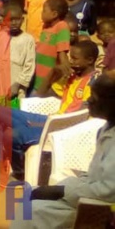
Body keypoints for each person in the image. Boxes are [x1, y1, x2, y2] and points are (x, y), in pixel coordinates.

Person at [0, 40, 101, 183]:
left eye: (75, 59)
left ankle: (20, 174)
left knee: (11, 134)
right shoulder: (71, 77)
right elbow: (40, 95)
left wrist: (46, 122)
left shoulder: (94, 82)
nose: (70, 61)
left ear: (89, 60)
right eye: (70, 57)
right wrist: (54, 72)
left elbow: (82, 116)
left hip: (61, 128)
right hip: (48, 120)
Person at [11, 73, 115, 229]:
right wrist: (62, 188)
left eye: (95, 96)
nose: (88, 100)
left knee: (31, 211)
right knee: (30, 195)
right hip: (85, 197)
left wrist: (63, 191)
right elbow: (93, 176)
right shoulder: (105, 129)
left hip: (100, 210)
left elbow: (108, 191)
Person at [0, 4, 36, 107]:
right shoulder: (0, 37)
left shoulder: (28, 40)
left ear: (22, 19)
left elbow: (29, 65)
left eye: (17, 19)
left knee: (13, 116)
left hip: (15, 86)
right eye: (10, 20)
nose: (14, 23)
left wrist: (17, 84)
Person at [33, 0, 72, 96]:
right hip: (37, 77)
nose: (42, 13)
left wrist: (65, 68)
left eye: (44, 10)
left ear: (54, 14)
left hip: (48, 81)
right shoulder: (46, 27)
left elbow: (62, 51)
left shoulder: (62, 26)